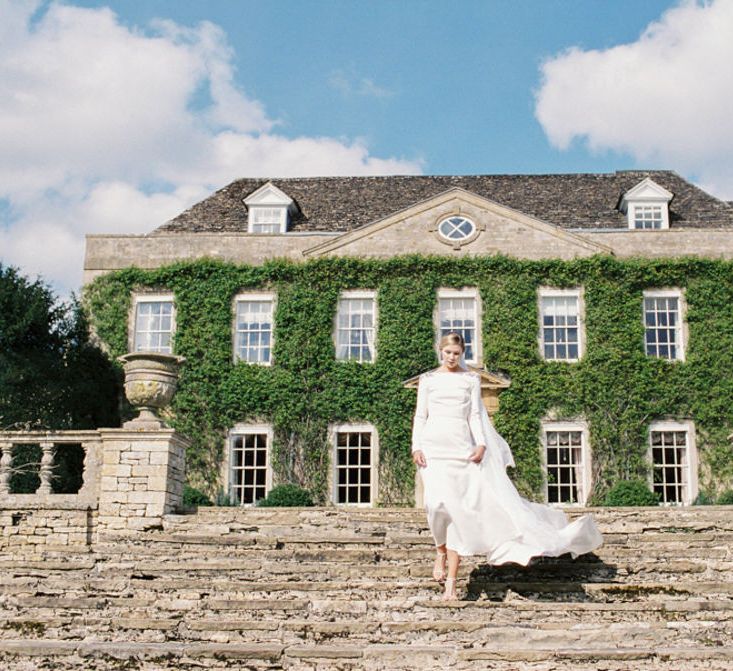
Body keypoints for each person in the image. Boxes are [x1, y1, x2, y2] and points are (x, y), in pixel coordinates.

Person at [412, 332, 603, 600]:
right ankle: (440, 550)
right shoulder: (429, 380)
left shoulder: (470, 380)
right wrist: (416, 446)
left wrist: (481, 444)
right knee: (435, 504)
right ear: (440, 352)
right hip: (434, 449)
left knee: (456, 512)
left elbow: (476, 415)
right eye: (448, 353)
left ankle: (451, 583)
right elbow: (421, 415)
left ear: (462, 354)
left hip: (461, 450)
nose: (452, 358)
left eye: (457, 353)